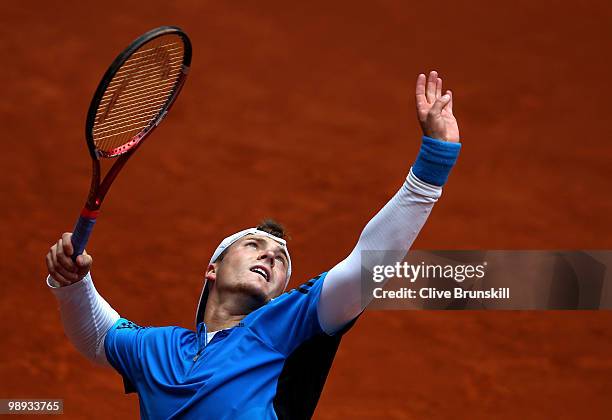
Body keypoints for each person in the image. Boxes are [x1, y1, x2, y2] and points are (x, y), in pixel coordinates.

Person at [46, 71, 461, 419]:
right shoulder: (159, 348)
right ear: (213, 268)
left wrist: (432, 166)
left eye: (281, 259)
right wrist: (72, 283)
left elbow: (365, 267)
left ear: (280, 294)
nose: (270, 255)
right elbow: (99, 337)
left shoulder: (281, 330)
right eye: (253, 244)